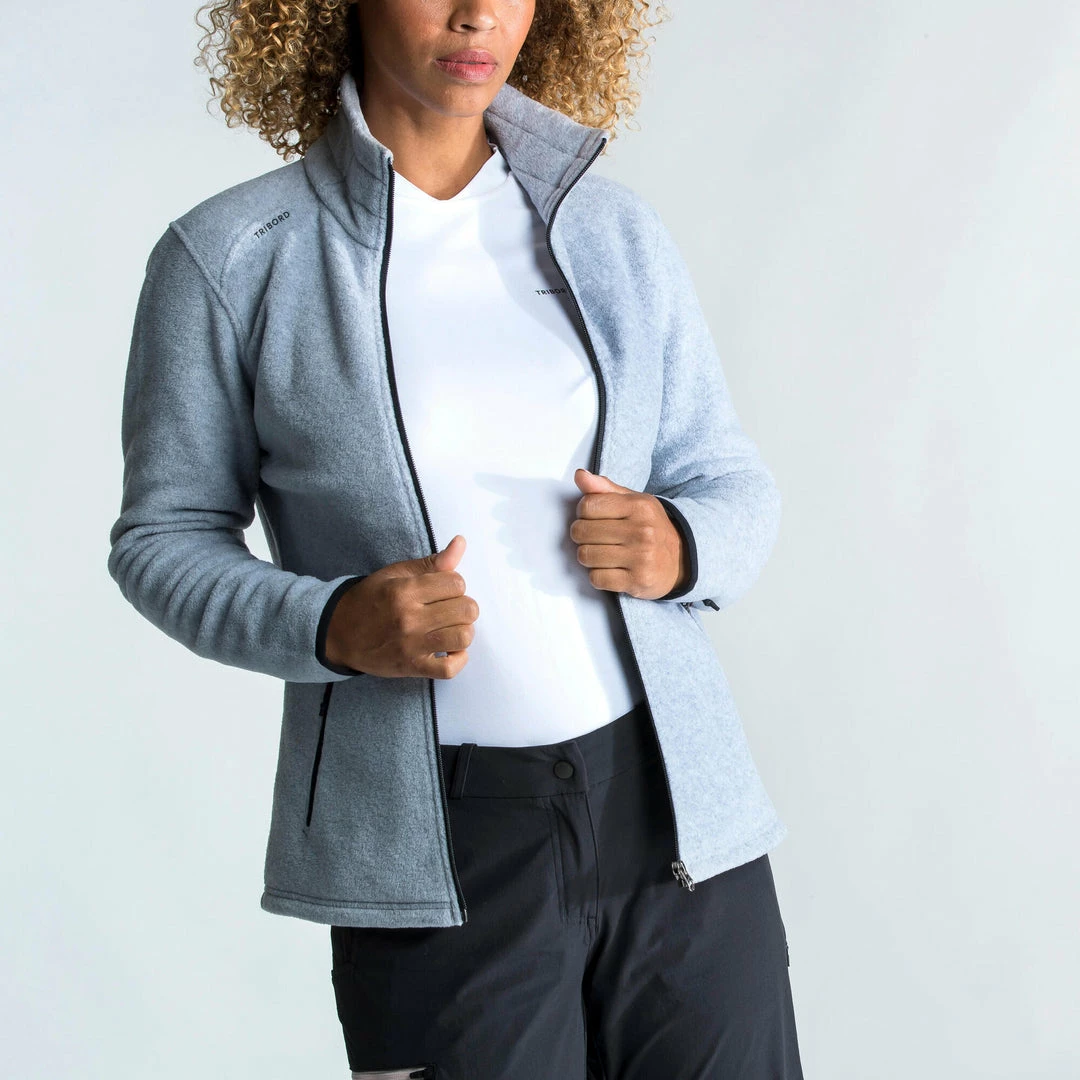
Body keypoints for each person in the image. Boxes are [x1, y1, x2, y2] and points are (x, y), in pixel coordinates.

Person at [108, 0, 804, 1075]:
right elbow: (162, 538)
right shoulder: (234, 256)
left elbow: (729, 478)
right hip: (433, 849)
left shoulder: (612, 230)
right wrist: (333, 623)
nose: (478, 14)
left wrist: (683, 543)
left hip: (675, 817)